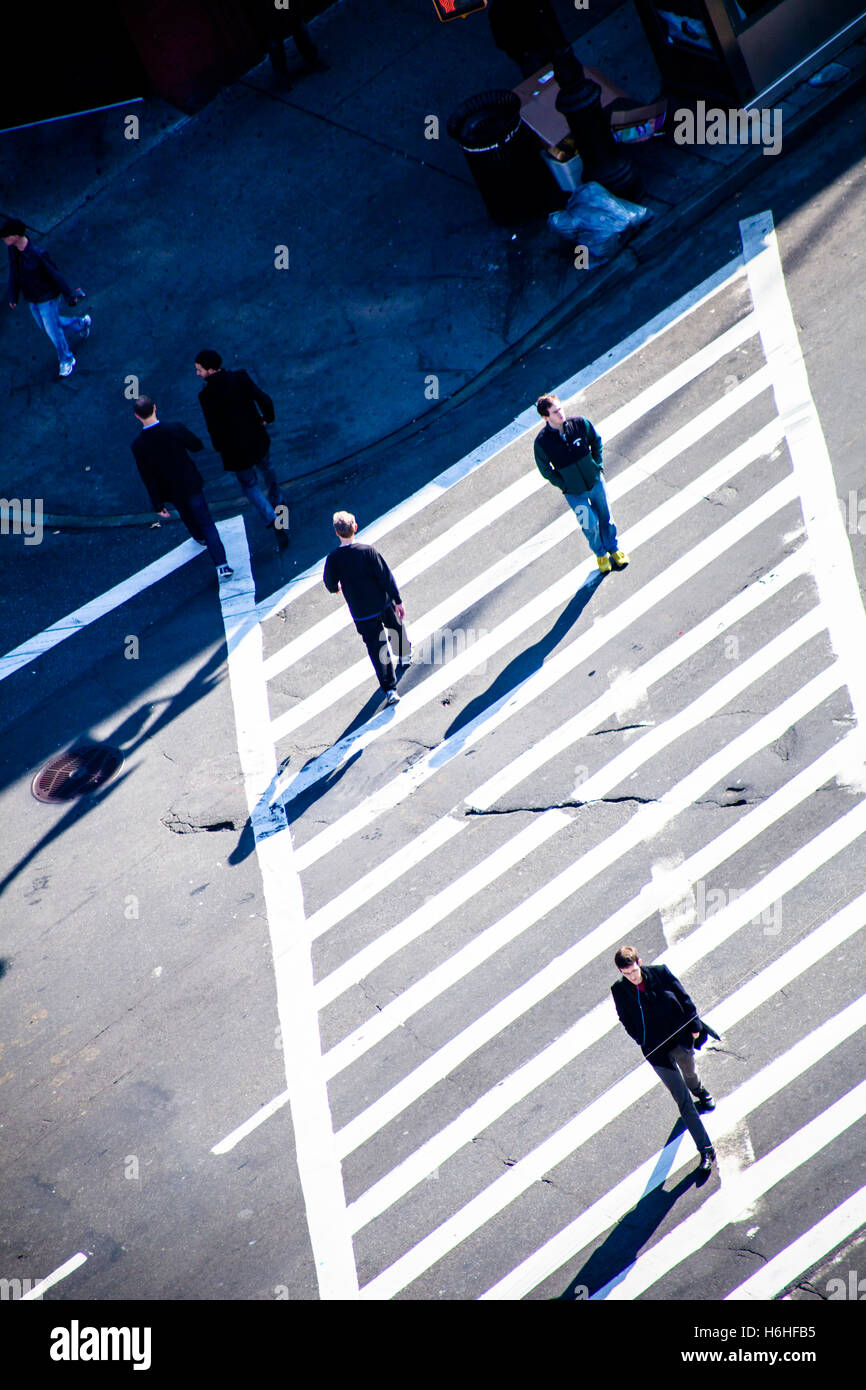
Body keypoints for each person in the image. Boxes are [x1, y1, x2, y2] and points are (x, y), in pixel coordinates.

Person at [611, 945, 716, 1173]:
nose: (631, 977)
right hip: (655, 1050)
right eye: (626, 974)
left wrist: (695, 1027)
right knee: (682, 1100)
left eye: (633, 971)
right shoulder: (619, 990)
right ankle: (706, 1149)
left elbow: (683, 997)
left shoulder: (660, 973)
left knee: (690, 1074)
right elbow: (625, 1018)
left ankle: (699, 1090)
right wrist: (641, 1039)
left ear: (639, 962)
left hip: (678, 1039)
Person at [131, 395, 233, 582]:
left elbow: (147, 477)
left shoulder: (138, 445)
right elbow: (196, 446)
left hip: (170, 489)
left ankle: (199, 537)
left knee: (186, 515)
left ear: (137, 416)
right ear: (155, 408)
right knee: (207, 522)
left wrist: (157, 503)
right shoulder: (174, 429)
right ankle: (221, 564)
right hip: (190, 482)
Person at [195, 349, 289, 546]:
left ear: (210, 370)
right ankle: (277, 499)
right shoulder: (240, 377)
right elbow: (263, 399)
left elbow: (213, 427)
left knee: (249, 485)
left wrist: (221, 448)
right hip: (256, 438)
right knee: (267, 468)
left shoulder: (206, 396)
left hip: (235, 451)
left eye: (200, 370)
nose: (198, 373)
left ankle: (272, 518)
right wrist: (267, 418)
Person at [534, 392, 628, 575]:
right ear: (546, 417)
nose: (560, 414)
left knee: (605, 516)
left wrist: (597, 465)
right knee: (588, 523)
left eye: (560, 409)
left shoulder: (579, 424)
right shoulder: (542, 443)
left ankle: (613, 548)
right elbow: (545, 469)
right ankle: (600, 554)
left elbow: (596, 441)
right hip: (574, 493)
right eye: (554, 412)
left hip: (595, 482)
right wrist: (564, 484)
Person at [323, 511, 411, 706]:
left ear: (337, 533)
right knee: (395, 627)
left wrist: (337, 588)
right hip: (383, 603)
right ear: (355, 528)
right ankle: (404, 654)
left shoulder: (334, 558)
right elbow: (385, 576)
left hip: (361, 612)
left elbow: (329, 583)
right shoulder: (368, 551)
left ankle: (389, 689)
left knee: (376, 648)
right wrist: (397, 600)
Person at [2, 216, 91, 378]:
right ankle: (81, 324)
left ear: (14, 236)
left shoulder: (37, 254)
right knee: (49, 326)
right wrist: (13, 295)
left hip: (47, 298)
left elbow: (55, 275)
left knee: (53, 332)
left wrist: (69, 296)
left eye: (5, 236)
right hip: (32, 298)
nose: (3, 239)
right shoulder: (13, 250)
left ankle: (66, 359)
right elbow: (14, 272)